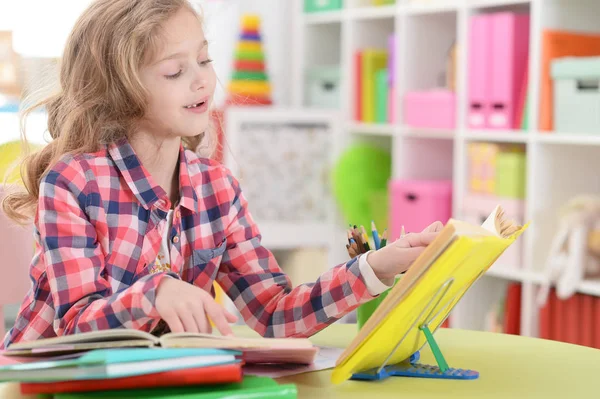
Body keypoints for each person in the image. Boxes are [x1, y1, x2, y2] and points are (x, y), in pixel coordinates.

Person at [0, 0, 441, 348]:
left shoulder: (216, 188)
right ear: (118, 90)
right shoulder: (74, 183)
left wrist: (373, 267)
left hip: (153, 381)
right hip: (42, 380)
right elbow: (76, 325)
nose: (202, 81)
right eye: (175, 70)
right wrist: (154, 293)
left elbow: (274, 314)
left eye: (205, 60)